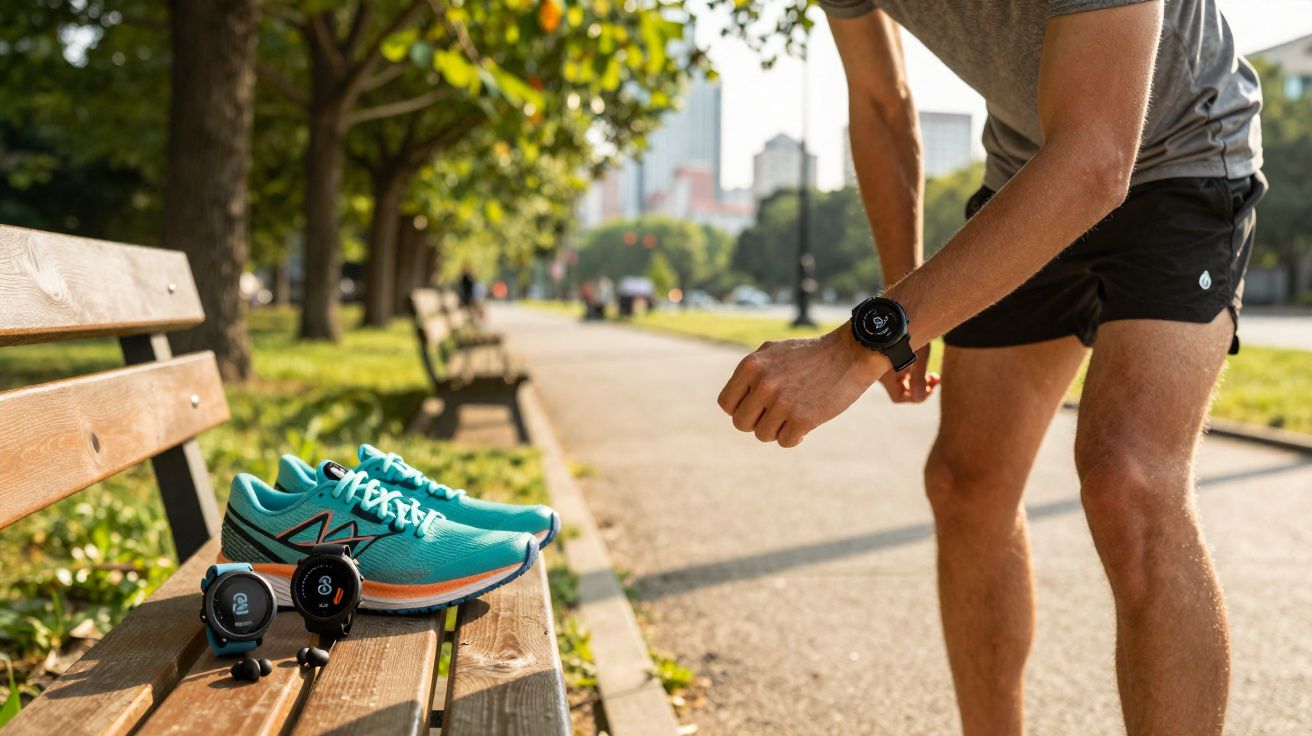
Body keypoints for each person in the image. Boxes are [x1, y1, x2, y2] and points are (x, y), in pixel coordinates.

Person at [716, 2, 1264, 734]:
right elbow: (881, 104)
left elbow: (1098, 158)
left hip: (1181, 160)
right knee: (965, 484)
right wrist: (902, 308)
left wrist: (861, 345)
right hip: (1031, 171)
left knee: (1126, 478)